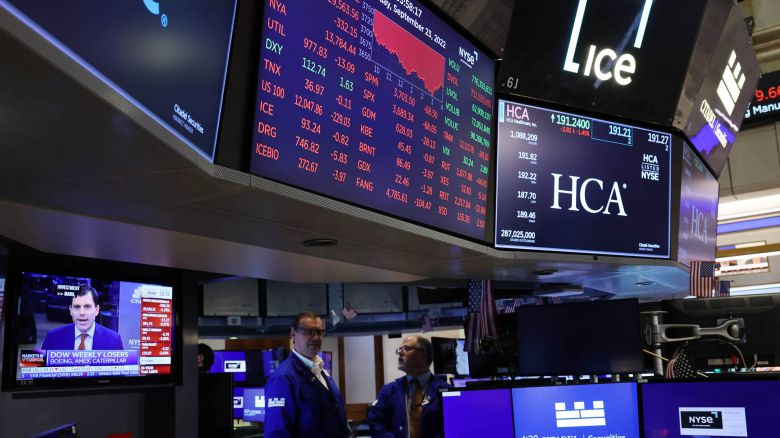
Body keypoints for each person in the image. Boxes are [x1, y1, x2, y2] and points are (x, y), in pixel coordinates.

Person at [264, 311, 351, 437]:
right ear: (293, 334)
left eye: (319, 332)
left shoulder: (321, 372)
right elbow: (276, 433)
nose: (315, 338)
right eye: (308, 331)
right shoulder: (283, 378)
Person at [367, 335, 450, 438]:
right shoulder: (388, 391)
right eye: (399, 350)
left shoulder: (446, 391)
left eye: (406, 348)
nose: (400, 353)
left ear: (423, 354)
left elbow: (452, 426)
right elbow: (376, 423)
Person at [41, 284, 124, 351]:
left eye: (87, 307)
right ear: (71, 310)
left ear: (96, 310)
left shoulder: (114, 340)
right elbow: (39, 365)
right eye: (77, 307)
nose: (82, 313)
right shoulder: (53, 338)